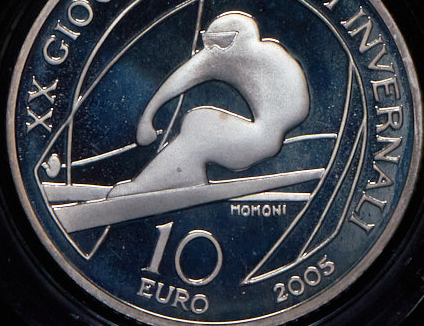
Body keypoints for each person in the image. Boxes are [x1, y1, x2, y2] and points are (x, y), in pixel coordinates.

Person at [108, 11, 309, 197]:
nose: (211, 49)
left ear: (241, 39)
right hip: (263, 136)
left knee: (201, 126)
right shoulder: (221, 54)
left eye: (221, 42)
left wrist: (275, 124)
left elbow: (297, 110)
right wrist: (147, 117)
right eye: (208, 41)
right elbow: (181, 79)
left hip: (262, 139)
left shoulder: (269, 57)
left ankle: (158, 183)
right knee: (197, 120)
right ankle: (182, 175)